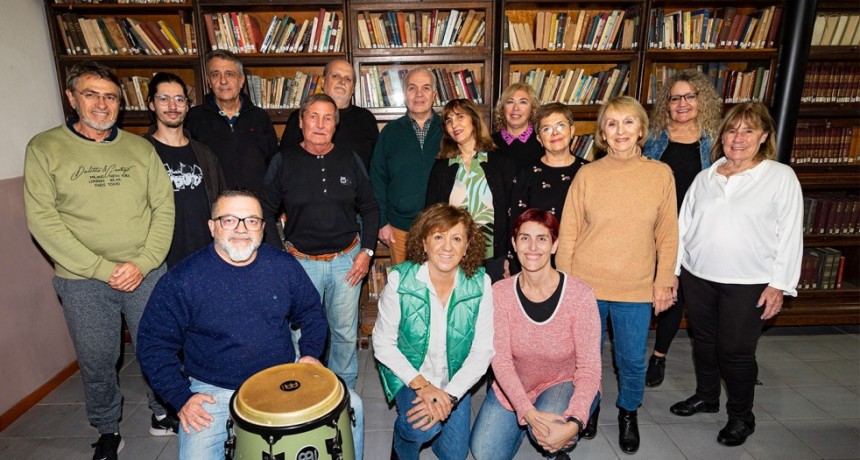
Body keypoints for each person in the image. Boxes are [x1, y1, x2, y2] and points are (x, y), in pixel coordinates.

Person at [136, 189, 364, 460]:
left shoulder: (283, 266)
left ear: (263, 228)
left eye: (252, 221)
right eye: (229, 220)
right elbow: (153, 344)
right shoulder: (183, 280)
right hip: (214, 390)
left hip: (281, 379)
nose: (242, 229)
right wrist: (180, 397)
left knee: (355, 406)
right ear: (212, 227)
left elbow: (312, 312)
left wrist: (310, 354)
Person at [23, 61, 175, 460]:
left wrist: (143, 262)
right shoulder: (44, 148)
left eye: (110, 96)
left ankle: (162, 412)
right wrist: (104, 270)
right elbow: (43, 222)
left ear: (120, 103)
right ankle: (108, 428)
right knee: (97, 358)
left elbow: (163, 209)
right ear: (72, 97)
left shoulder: (140, 149)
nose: (101, 104)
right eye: (91, 94)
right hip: (82, 279)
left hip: (146, 272)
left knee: (157, 346)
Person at [669, 102, 803, 447]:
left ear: (763, 136)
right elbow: (683, 228)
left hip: (750, 282)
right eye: (731, 130)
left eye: (747, 130)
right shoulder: (706, 176)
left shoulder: (779, 176)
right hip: (699, 276)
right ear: (721, 136)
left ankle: (742, 416)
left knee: (736, 351)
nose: (738, 138)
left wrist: (780, 286)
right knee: (705, 343)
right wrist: (674, 272)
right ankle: (707, 396)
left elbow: (790, 234)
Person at [555, 96, 678, 454]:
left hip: (636, 287)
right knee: (586, 357)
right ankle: (586, 410)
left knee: (632, 359)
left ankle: (628, 411)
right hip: (586, 285)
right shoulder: (587, 175)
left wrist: (663, 281)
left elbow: (668, 234)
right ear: (602, 134)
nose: (620, 130)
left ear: (641, 130)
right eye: (611, 123)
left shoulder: (660, 175)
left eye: (628, 123)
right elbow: (570, 233)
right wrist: (566, 285)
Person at [262, 93, 379, 389]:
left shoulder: (349, 158)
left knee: (343, 334)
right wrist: (280, 258)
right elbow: (264, 210)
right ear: (301, 122)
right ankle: (307, 395)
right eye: (313, 116)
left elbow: (370, 208)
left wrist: (366, 252)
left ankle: (345, 396)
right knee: (302, 337)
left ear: (335, 126)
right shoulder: (283, 160)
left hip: (346, 263)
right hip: (300, 264)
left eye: (328, 118)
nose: (320, 124)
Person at [471, 209, 601, 460]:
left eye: (542, 238)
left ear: (555, 245)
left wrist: (575, 422)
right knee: (484, 453)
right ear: (514, 243)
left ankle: (555, 442)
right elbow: (502, 362)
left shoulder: (580, 295)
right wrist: (526, 412)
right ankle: (526, 426)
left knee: (550, 431)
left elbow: (589, 369)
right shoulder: (500, 293)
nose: (532, 247)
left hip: (562, 382)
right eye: (524, 238)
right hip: (515, 385)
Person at [373, 204, 494, 460]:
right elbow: (382, 343)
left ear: (467, 247)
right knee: (419, 427)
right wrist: (423, 387)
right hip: (412, 374)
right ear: (424, 243)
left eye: (457, 238)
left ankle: (431, 422)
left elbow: (482, 352)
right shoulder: (399, 280)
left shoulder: (481, 284)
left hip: (453, 380)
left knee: (455, 454)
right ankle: (402, 443)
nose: (447, 247)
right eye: (438, 237)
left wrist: (449, 396)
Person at [642, 69, 722, 387]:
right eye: (675, 98)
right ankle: (652, 356)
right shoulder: (653, 137)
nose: (682, 103)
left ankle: (727, 360)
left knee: (689, 294)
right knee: (665, 290)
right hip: (658, 228)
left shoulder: (716, 142)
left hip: (700, 231)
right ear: (667, 104)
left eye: (690, 96)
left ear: (702, 100)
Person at [425, 99, 515, 282]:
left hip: (493, 256)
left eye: (460, 117)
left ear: (474, 119)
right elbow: (431, 215)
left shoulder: (500, 162)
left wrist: (509, 256)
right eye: (448, 121)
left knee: (492, 307)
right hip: (453, 254)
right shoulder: (442, 166)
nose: (454, 124)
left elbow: (512, 212)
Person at [144, 72, 226, 267]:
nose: (173, 106)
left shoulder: (205, 154)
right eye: (164, 99)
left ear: (187, 106)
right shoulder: (140, 153)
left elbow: (221, 203)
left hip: (205, 259)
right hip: (158, 263)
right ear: (151, 104)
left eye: (179, 99)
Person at [371, 68, 443, 265]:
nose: (419, 94)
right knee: (404, 289)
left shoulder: (449, 130)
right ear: (405, 95)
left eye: (426, 88)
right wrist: (382, 222)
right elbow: (377, 179)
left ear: (434, 95)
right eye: (412, 88)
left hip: (442, 228)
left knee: (440, 289)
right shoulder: (390, 132)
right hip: (399, 229)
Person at [508, 103, 587, 273]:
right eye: (547, 129)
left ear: (572, 131)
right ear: (539, 139)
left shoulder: (589, 172)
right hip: (536, 265)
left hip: (582, 263)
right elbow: (515, 225)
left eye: (560, 126)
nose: (555, 133)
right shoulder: (526, 175)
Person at [185, 50, 278, 193]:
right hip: (213, 208)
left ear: (241, 80)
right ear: (209, 81)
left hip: (255, 208)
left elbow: (274, 167)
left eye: (229, 74)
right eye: (216, 74)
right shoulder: (194, 118)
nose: (223, 81)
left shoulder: (260, 117)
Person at [278, 59, 379, 170]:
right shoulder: (301, 116)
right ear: (323, 82)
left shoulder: (366, 119)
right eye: (336, 76)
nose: (342, 82)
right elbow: (283, 163)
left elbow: (377, 167)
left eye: (348, 79)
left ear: (353, 88)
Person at [492, 83, 544, 172]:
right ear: (502, 108)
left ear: (532, 108)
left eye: (523, 102)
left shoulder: (543, 141)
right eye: (510, 102)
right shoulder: (489, 143)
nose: (515, 108)